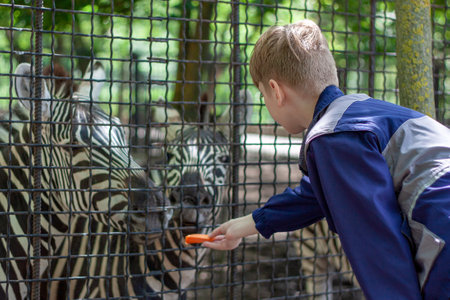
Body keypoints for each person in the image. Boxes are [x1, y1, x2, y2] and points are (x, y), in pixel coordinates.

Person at [202, 19, 450, 299]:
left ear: (275, 90)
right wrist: (247, 224)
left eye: (263, 96)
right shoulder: (359, 114)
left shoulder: (332, 137)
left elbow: (377, 245)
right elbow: (314, 195)